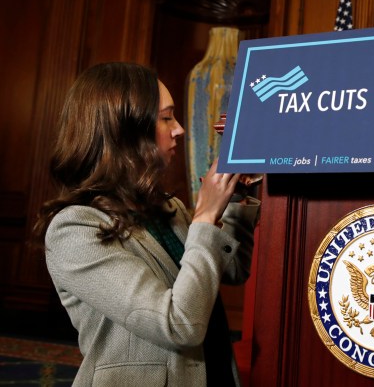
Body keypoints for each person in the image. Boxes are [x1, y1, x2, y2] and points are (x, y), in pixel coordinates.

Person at [34, 62, 260, 386]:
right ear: (125, 131)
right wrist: (206, 217)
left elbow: (233, 270)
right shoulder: (74, 229)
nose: (179, 128)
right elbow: (178, 325)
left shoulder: (167, 208)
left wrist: (235, 199)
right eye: (166, 117)